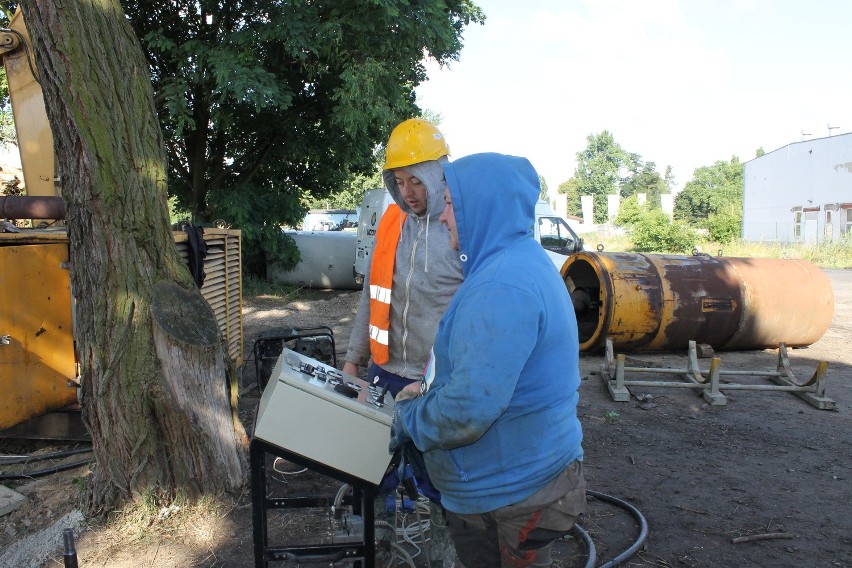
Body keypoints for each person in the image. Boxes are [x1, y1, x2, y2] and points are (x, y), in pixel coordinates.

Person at [390, 153, 586, 568]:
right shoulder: (517, 261)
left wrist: (407, 418)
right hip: (523, 475)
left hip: (509, 492)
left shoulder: (501, 286)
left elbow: (468, 409)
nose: (443, 217)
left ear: (483, 208)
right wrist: (427, 393)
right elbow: (483, 373)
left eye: (451, 205)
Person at [342, 118, 464, 566]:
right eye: (399, 181)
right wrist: (353, 361)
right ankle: (375, 549)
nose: (408, 191)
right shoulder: (393, 222)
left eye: (416, 180)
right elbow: (371, 295)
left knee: (443, 485)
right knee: (371, 470)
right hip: (386, 372)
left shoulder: (461, 228)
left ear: (437, 174)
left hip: (440, 384)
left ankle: (442, 557)